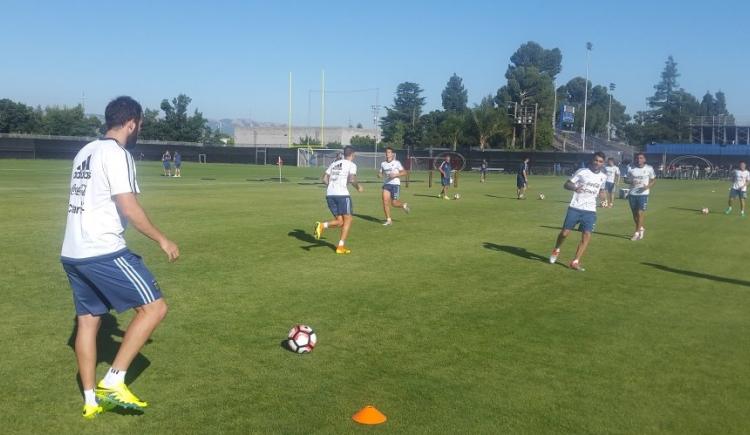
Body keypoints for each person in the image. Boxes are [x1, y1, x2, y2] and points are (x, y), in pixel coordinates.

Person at [60, 96, 179, 419]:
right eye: (139, 124)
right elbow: (128, 206)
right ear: (131, 123)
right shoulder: (117, 153)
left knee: (88, 322)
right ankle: (113, 381)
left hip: (72, 252)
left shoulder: (85, 151)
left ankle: (89, 401)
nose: (138, 129)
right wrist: (162, 239)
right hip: (102, 250)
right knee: (155, 307)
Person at [549, 152, 607, 271]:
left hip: (590, 210)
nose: (597, 163)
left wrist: (603, 197)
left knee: (586, 236)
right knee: (564, 233)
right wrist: (575, 188)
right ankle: (557, 249)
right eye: (596, 160)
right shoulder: (582, 172)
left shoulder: (603, 177)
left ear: (603, 163)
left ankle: (575, 261)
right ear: (592, 160)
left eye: (600, 161)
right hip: (575, 207)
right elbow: (566, 184)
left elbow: (602, 190)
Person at [314, 146, 363, 254]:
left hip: (330, 194)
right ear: (353, 155)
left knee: (340, 222)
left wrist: (331, 186)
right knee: (348, 220)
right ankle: (340, 247)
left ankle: (322, 225)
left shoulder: (334, 163)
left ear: (344, 154)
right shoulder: (351, 165)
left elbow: (324, 178)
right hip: (342, 195)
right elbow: (351, 179)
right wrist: (358, 187)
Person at [626, 152, 656, 240]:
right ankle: (641, 228)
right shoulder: (630, 167)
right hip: (632, 193)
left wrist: (647, 186)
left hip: (643, 194)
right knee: (635, 215)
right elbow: (625, 179)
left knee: (640, 213)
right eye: (637, 158)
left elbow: (654, 180)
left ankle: (636, 233)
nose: (639, 160)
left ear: (644, 159)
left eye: (641, 158)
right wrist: (631, 182)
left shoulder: (649, 168)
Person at [377, 147, 410, 225]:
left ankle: (403, 205)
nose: (387, 154)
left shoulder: (397, 163)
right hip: (387, 184)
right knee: (385, 201)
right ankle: (389, 220)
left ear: (392, 154)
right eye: (386, 152)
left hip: (395, 184)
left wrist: (396, 175)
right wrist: (379, 175)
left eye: (389, 152)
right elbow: (380, 173)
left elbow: (405, 172)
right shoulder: (383, 164)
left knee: (394, 203)